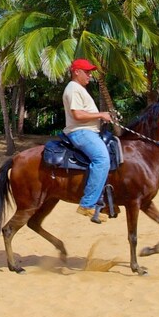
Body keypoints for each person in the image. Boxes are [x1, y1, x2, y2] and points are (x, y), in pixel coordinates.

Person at [63, 58, 113, 222]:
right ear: (76, 72)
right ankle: (87, 204)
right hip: (81, 132)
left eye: (90, 72)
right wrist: (101, 115)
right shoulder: (74, 89)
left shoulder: (79, 89)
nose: (90, 75)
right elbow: (77, 115)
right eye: (87, 72)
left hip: (88, 131)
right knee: (102, 159)